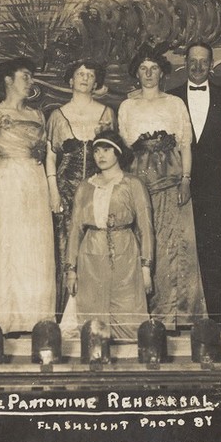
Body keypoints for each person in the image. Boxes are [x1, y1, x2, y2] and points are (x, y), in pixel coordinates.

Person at [118, 44, 206, 332]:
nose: (148, 74)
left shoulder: (174, 104)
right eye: (143, 69)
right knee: (142, 240)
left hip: (171, 179)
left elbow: (185, 146)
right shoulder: (127, 106)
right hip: (138, 180)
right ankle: (144, 315)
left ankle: (175, 314)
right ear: (136, 73)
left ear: (162, 72)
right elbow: (122, 151)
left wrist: (187, 180)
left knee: (174, 243)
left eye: (153, 68)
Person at [0, 57, 55, 334]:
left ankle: (34, 319)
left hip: (35, 181)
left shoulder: (37, 115)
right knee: (7, 246)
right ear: (8, 80)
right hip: (6, 180)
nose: (30, 82)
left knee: (34, 245)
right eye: (25, 76)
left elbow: (45, 153)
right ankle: (4, 320)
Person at [167, 41, 221, 323]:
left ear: (211, 64)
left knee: (216, 245)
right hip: (178, 182)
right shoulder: (170, 98)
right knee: (180, 246)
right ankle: (181, 311)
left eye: (203, 61)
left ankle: (217, 313)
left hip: (216, 184)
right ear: (185, 63)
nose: (197, 67)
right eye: (192, 61)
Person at [45, 59, 116, 321]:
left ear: (96, 82)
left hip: (99, 188)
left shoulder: (106, 113)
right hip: (66, 189)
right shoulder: (57, 115)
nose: (85, 78)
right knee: (67, 246)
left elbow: (113, 154)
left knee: (97, 244)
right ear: (71, 80)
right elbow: (50, 157)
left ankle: (96, 311)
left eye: (90, 74)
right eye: (80, 74)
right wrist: (53, 191)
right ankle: (67, 314)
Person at [64, 131, 154, 340]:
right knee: (92, 321)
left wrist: (146, 267)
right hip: (91, 253)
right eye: (96, 151)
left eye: (106, 150)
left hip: (125, 253)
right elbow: (75, 229)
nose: (100, 155)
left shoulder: (133, 184)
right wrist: (71, 269)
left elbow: (146, 227)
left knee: (128, 312)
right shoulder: (85, 186)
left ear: (118, 153)